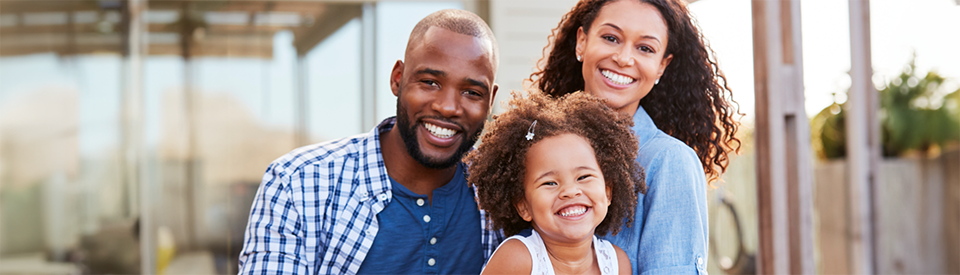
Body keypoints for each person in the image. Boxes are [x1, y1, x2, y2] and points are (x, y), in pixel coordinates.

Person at [236, 9, 501, 275]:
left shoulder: (504, 194)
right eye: (430, 82)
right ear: (398, 78)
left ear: (490, 101)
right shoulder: (297, 184)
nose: (447, 107)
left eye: (471, 92)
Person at [530, 0, 741, 274]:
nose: (624, 58)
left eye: (645, 48)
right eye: (610, 38)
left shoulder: (668, 162)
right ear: (581, 41)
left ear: (662, 66)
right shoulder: (536, 146)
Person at [466, 92, 644, 275]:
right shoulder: (517, 259)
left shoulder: (617, 263)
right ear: (523, 206)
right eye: (550, 183)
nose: (570, 191)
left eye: (583, 177)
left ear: (607, 192)